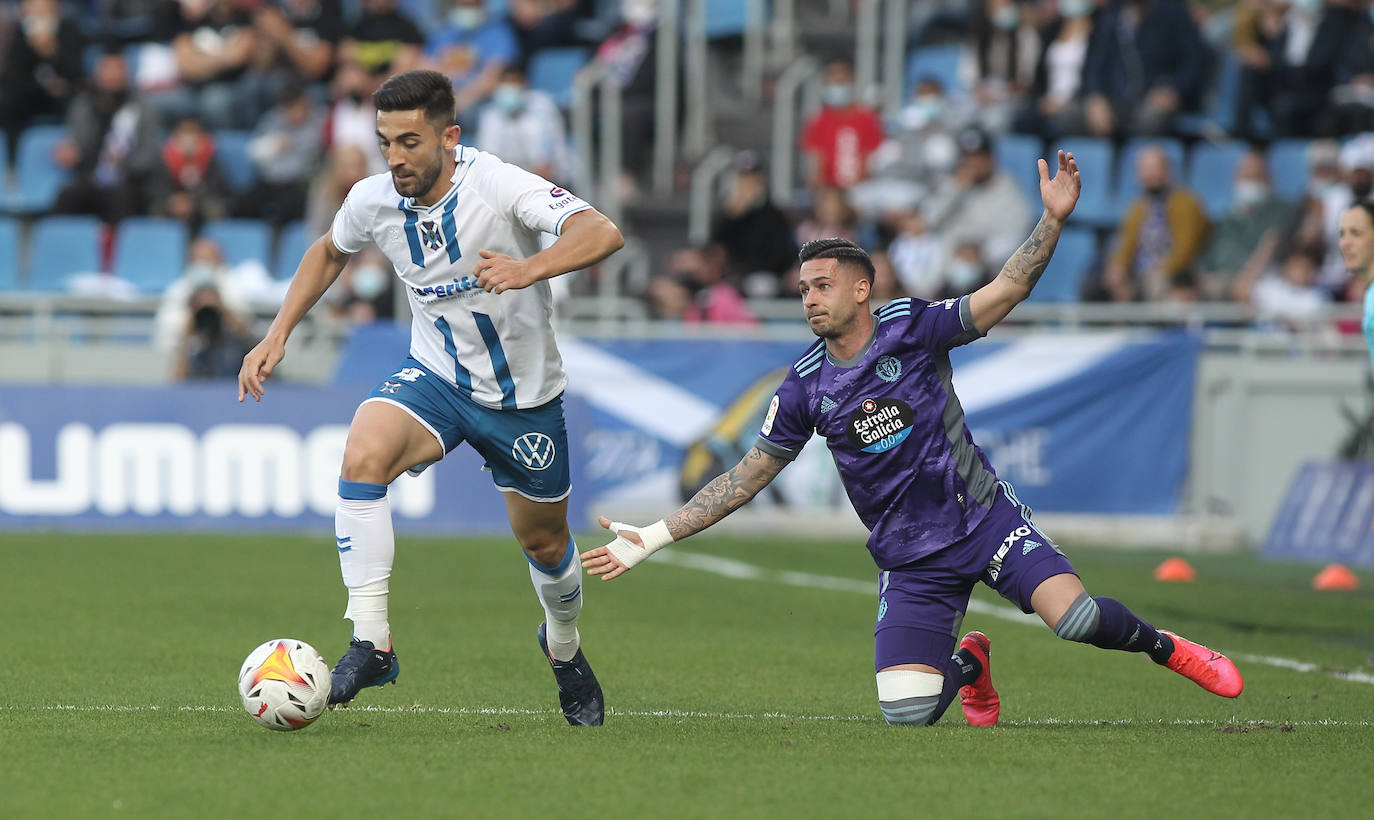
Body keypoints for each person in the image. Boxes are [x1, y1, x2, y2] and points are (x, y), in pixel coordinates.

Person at [584, 151, 1245, 728]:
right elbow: (747, 475)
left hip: (983, 520)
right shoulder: (803, 387)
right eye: (804, 288)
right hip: (910, 557)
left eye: (823, 285)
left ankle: (1166, 647)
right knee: (907, 713)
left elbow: (1007, 289)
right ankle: (972, 662)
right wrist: (658, 534)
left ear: (862, 288)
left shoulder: (912, 327)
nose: (810, 298)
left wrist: (1054, 219)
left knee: (1073, 622)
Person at [237, 70, 624, 726]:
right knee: (363, 455)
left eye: (410, 142)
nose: (395, 158)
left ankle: (563, 650)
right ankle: (371, 640)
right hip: (438, 378)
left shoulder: (500, 185)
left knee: (547, 547)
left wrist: (527, 268)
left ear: (450, 137)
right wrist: (278, 332)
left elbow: (601, 232)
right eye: (386, 141)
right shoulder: (372, 199)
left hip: (523, 400)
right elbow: (330, 252)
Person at [1097, 145, 1208, 302]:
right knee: (1103, 286)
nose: (1150, 175)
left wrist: (1163, 270)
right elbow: (1125, 245)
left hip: (1175, 275)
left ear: (1168, 171)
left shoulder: (1186, 203)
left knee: (1157, 287)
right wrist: (1117, 268)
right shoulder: (1138, 208)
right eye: (1145, 170)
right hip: (1140, 274)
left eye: (1155, 168)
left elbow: (1185, 250)